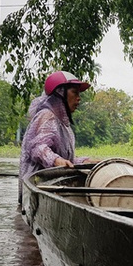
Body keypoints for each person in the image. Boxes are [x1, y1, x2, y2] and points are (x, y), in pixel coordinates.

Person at [19, 71, 90, 202]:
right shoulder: (46, 116)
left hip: (51, 189)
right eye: (74, 92)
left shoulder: (63, 125)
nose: (79, 98)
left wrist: (85, 162)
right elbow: (38, 148)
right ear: (60, 93)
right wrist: (56, 161)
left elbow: (67, 160)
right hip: (36, 193)